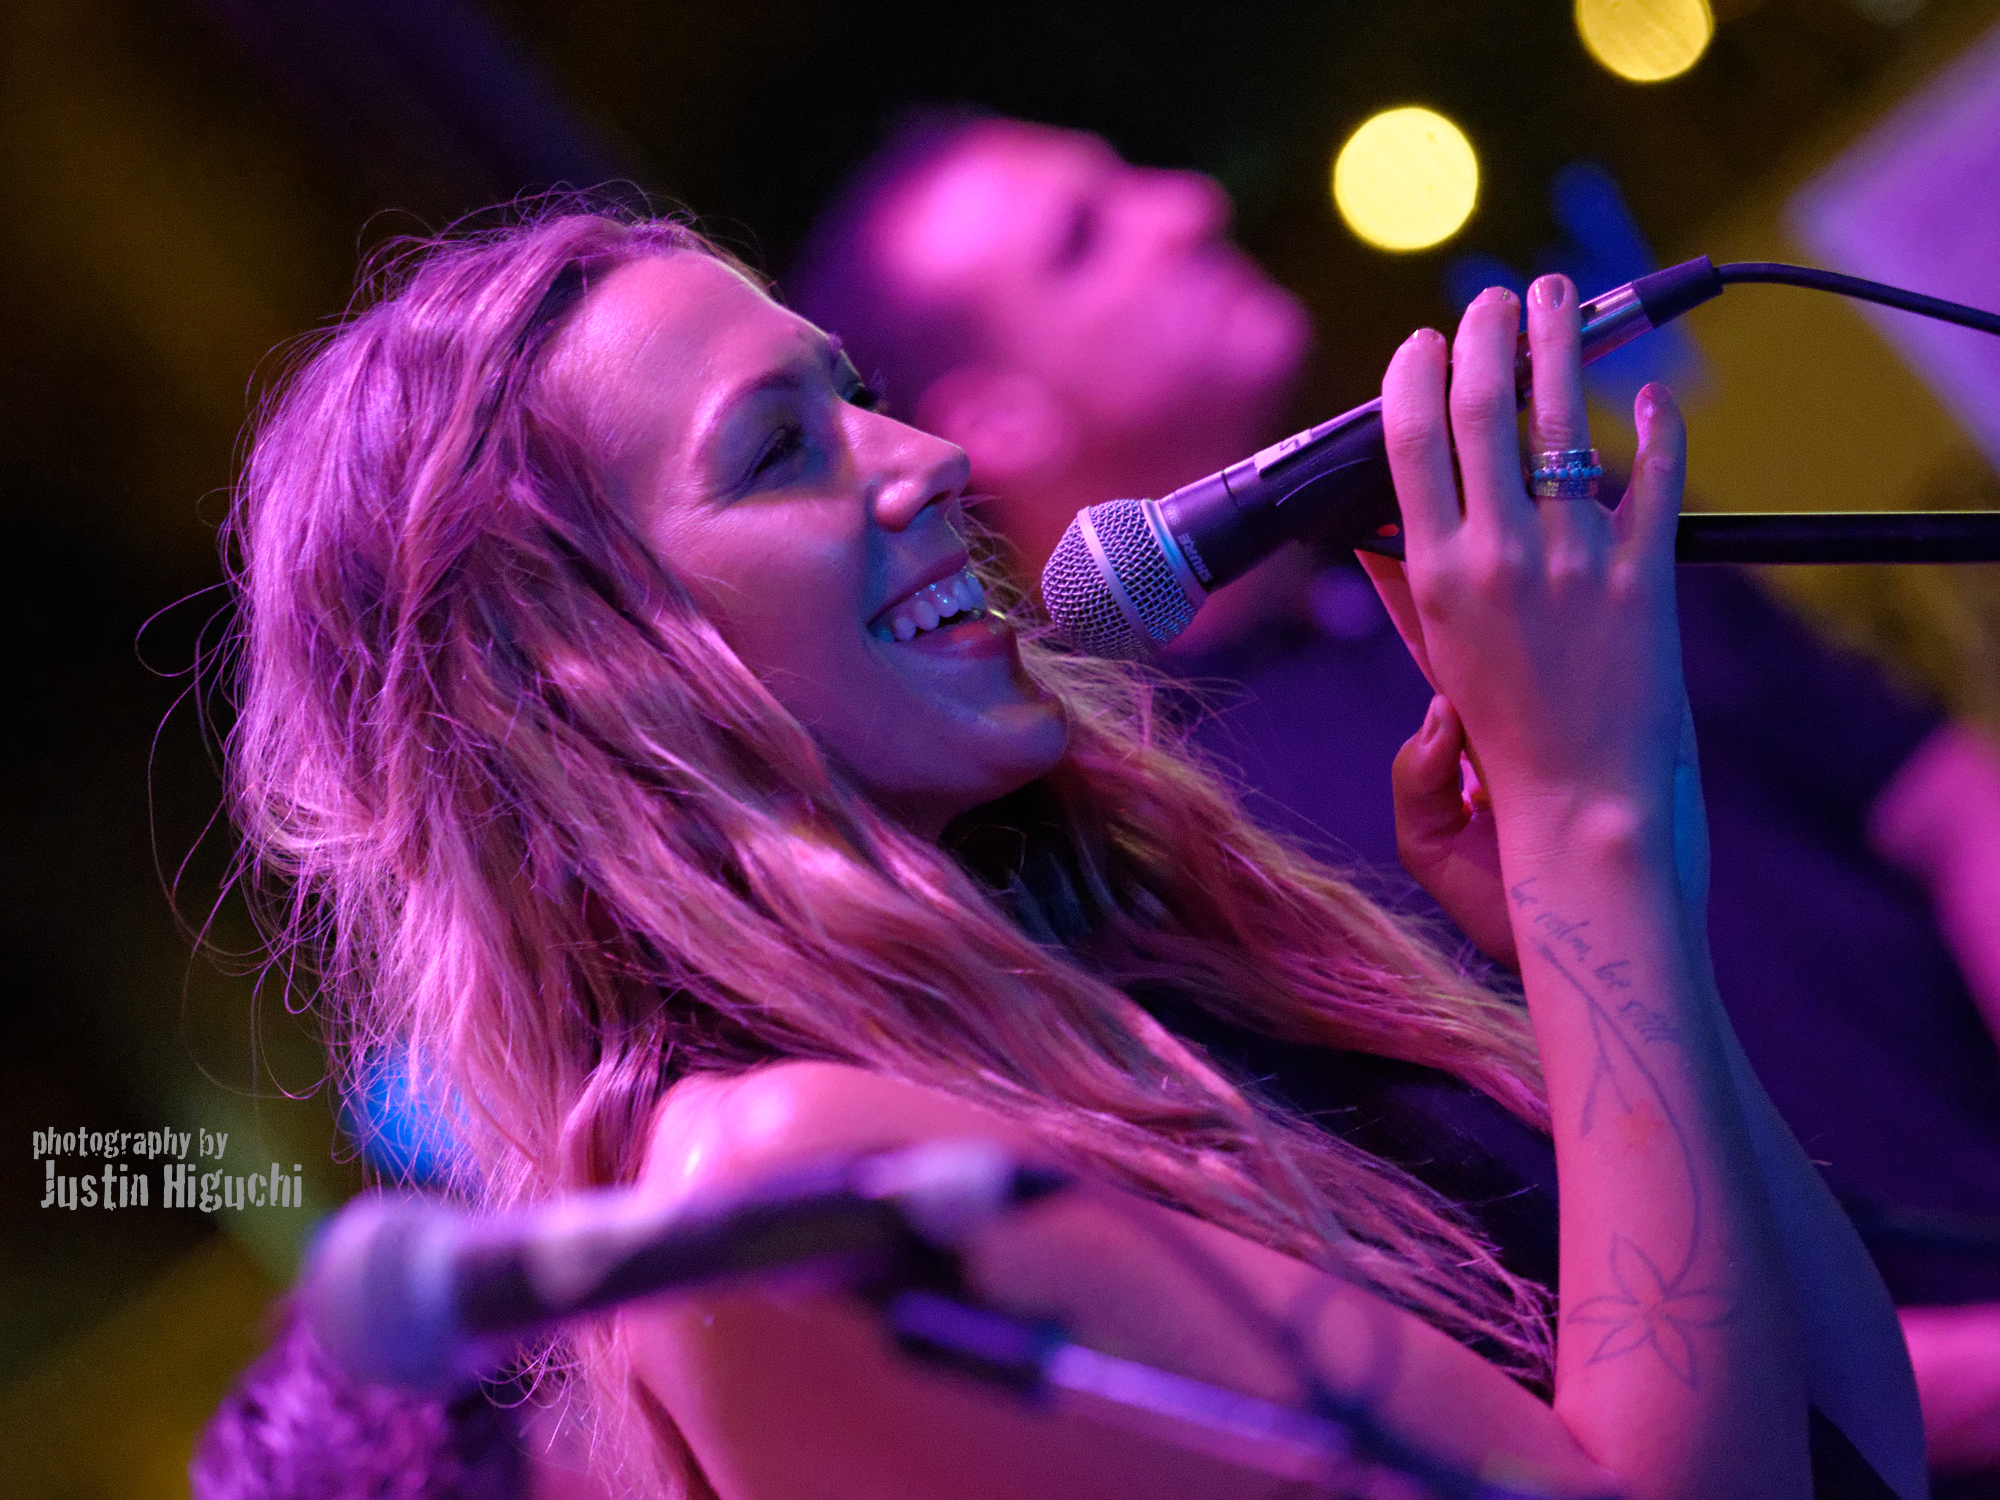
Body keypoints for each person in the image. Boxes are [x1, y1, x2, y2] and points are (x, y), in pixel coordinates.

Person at [222, 206, 1924, 1499]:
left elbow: (1856, 1434)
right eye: (775, 453)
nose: (931, 461)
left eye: (860, 397)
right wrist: (1583, 829)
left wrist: (1621, 900)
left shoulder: (1125, 976)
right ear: (591, 688)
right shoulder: (779, 1190)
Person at [786, 111, 2000, 1485]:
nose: (1184, 202)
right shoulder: (1152, 832)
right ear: (996, 419)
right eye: (1085, 239)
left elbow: (1936, 796)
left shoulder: (1515, 533)